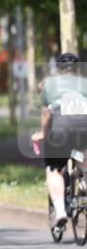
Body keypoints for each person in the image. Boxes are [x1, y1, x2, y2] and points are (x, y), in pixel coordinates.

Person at [31, 53, 87, 229]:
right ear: (77, 68)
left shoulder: (49, 84)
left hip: (61, 129)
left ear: (58, 69)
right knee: (81, 155)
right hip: (84, 128)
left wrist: (44, 134)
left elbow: (46, 115)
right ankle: (84, 178)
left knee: (54, 170)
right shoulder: (85, 83)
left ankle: (61, 211)